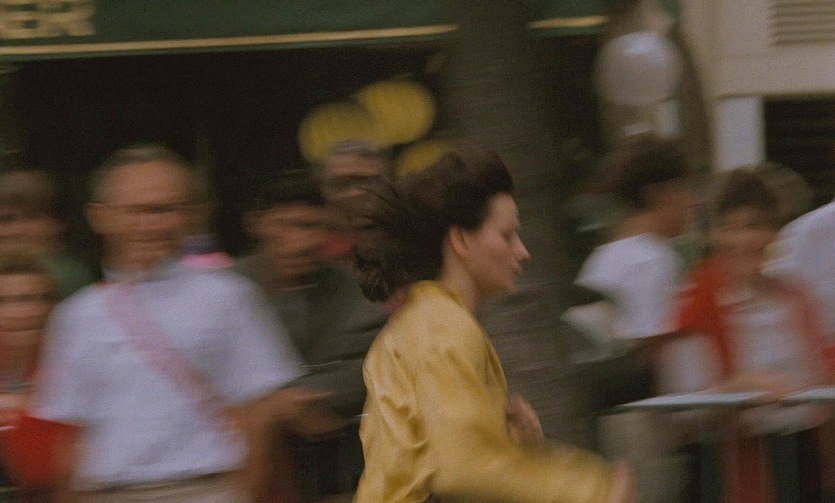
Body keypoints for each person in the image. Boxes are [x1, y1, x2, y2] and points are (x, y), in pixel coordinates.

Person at [29, 145, 335, 503]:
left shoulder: (229, 296)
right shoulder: (75, 316)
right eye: (137, 211)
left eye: (167, 210)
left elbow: (261, 410)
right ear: (100, 217)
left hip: (209, 490)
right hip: (108, 494)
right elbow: (69, 434)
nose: (152, 225)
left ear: (190, 215)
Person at [352, 146, 634, 502]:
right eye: (506, 235)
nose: (522, 251)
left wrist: (521, 448)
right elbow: (463, 467)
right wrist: (595, 489)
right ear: (460, 240)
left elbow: (446, 461)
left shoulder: (428, 320)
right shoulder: (443, 327)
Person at [657, 169, 832, 503]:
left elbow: (819, 379)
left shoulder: (793, 298)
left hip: (802, 462)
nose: (748, 240)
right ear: (715, 236)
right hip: (732, 472)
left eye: (757, 226)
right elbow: (681, 410)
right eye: (733, 228)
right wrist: (737, 388)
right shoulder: (697, 303)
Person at [236, 170, 385, 500]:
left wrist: (288, 399)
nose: (302, 242)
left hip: (327, 467)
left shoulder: (352, 291)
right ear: (257, 225)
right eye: (288, 225)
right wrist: (273, 404)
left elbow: (371, 364)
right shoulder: (226, 290)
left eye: (314, 227)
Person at [574, 134, 696, 347]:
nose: (691, 201)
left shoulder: (601, 257)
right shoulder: (652, 261)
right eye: (683, 188)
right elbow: (651, 346)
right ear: (655, 194)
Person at [0, 166, 96, 298]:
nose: (15, 230)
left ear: (58, 223)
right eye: (5, 219)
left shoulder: (67, 276)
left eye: (32, 217)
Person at [318, 140, 386, 262]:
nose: (355, 193)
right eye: (341, 184)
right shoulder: (313, 250)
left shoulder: (406, 241)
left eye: (368, 182)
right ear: (323, 190)